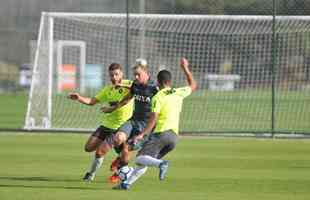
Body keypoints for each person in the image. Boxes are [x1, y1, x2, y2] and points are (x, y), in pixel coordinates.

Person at [114, 57, 198, 190]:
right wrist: (185, 68)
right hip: (174, 138)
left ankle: (162, 163)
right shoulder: (179, 92)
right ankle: (125, 184)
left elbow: (152, 120)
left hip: (161, 134)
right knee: (145, 162)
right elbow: (193, 85)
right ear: (169, 81)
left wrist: (141, 135)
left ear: (158, 82)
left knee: (139, 158)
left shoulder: (157, 97)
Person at [68, 63, 133, 182]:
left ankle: (91, 174)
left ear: (121, 74)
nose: (114, 77)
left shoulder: (129, 85)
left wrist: (121, 84)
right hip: (107, 124)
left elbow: (137, 88)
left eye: (116, 74)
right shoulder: (108, 90)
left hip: (121, 126)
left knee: (101, 152)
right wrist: (79, 98)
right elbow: (92, 101)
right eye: (111, 75)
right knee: (88, 148)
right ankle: (115, 150)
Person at [101, 58, 158, 172]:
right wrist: (111, 108)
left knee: (127, 147)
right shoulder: (135, 85)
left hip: (145, 126)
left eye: (138, 75)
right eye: (134, 75)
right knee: (117, 139)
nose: (135, 77)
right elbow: (126, 99)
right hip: (133, 121)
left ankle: (121, 171)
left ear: (147, 73)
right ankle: (121, 158)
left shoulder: (155, 89)